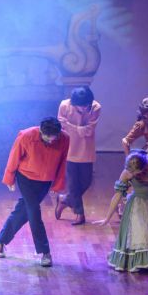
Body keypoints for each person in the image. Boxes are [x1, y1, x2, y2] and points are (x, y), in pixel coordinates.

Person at [0, 117, 69, 267]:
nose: (51, 141)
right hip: (26, 178)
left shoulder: (65, 138)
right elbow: (14, 157)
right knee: (34, 212)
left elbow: (63, 162)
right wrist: (9, 179)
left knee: (24, 211)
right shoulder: (26, 136)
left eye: (54, 138)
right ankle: (45, 252)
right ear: (41, 131)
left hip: (45, 180)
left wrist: (57, 185)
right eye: (48, 137)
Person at [93, 150, 148, 272]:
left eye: (138, 172)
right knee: (141, 232)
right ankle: (139, 262)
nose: (135, 175)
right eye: (133, 173)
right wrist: (107, 218)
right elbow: (117, 195)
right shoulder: (126, 173)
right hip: (137, 205)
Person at [56, 86, 101, 225]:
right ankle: (80, 214)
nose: (84, 108)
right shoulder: (64, 105)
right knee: (73, 183)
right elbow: (61, 124)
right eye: (80, 106)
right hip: (69, 148)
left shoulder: (96, 107)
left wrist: (71, 127)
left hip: (86, 149)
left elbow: (89, 130)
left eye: (86, 105)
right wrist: (79, 129)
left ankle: (65, 199)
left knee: (87, 181)